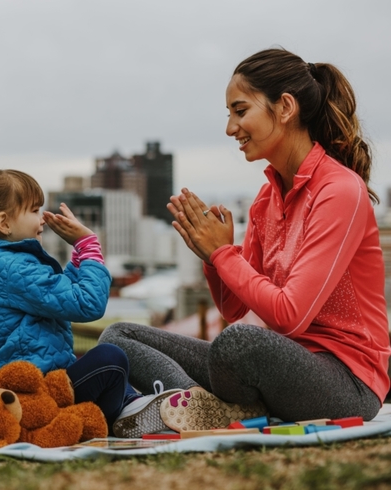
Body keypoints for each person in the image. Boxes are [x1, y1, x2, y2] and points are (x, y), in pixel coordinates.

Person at [100, 48, 390, 432]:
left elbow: (291, 316)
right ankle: (204, 408)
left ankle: (209, 408)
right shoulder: (266, 200)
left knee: (238, 345)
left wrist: (223, 253)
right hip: (274, 364)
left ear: (284, 107)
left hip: (347, 382)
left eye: (240, 111)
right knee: (118, 336)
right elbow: (234, 307)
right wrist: (209, 254)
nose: (230, 128)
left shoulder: (339, 191)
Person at [0, 168, 180, 437]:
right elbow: (87, 304)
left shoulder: (3, 264)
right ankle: (126, 411)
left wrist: (78, 258)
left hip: (33, 391)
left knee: (102, 360)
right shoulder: (15, 269)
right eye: (35, 210)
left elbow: (59, 295)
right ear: (4, 223)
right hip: (30, 401)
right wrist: (88, 245)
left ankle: (131, 405)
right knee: (110, 358)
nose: (43, 220)